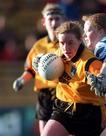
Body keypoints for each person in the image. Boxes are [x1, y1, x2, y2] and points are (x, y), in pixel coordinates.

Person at [41, 21, 106, 136]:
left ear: (80, 39)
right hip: (63, 107)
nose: (66, 48)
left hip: (89, 113)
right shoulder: (58, 56)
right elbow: (48, 68)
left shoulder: (89, 63)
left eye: (70, 43)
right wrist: (40, 64)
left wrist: (101, 81)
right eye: (62, 43)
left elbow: (104, 79)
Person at [12, 3, 66, 134]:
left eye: (57, 18)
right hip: (44, 96)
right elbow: (30, 69)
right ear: (44, 22)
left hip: (65, 92)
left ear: (63, 20)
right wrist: (22, 80)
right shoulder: (38, 46)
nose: (54, 22)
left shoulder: (67, 44)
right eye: (50, 19)